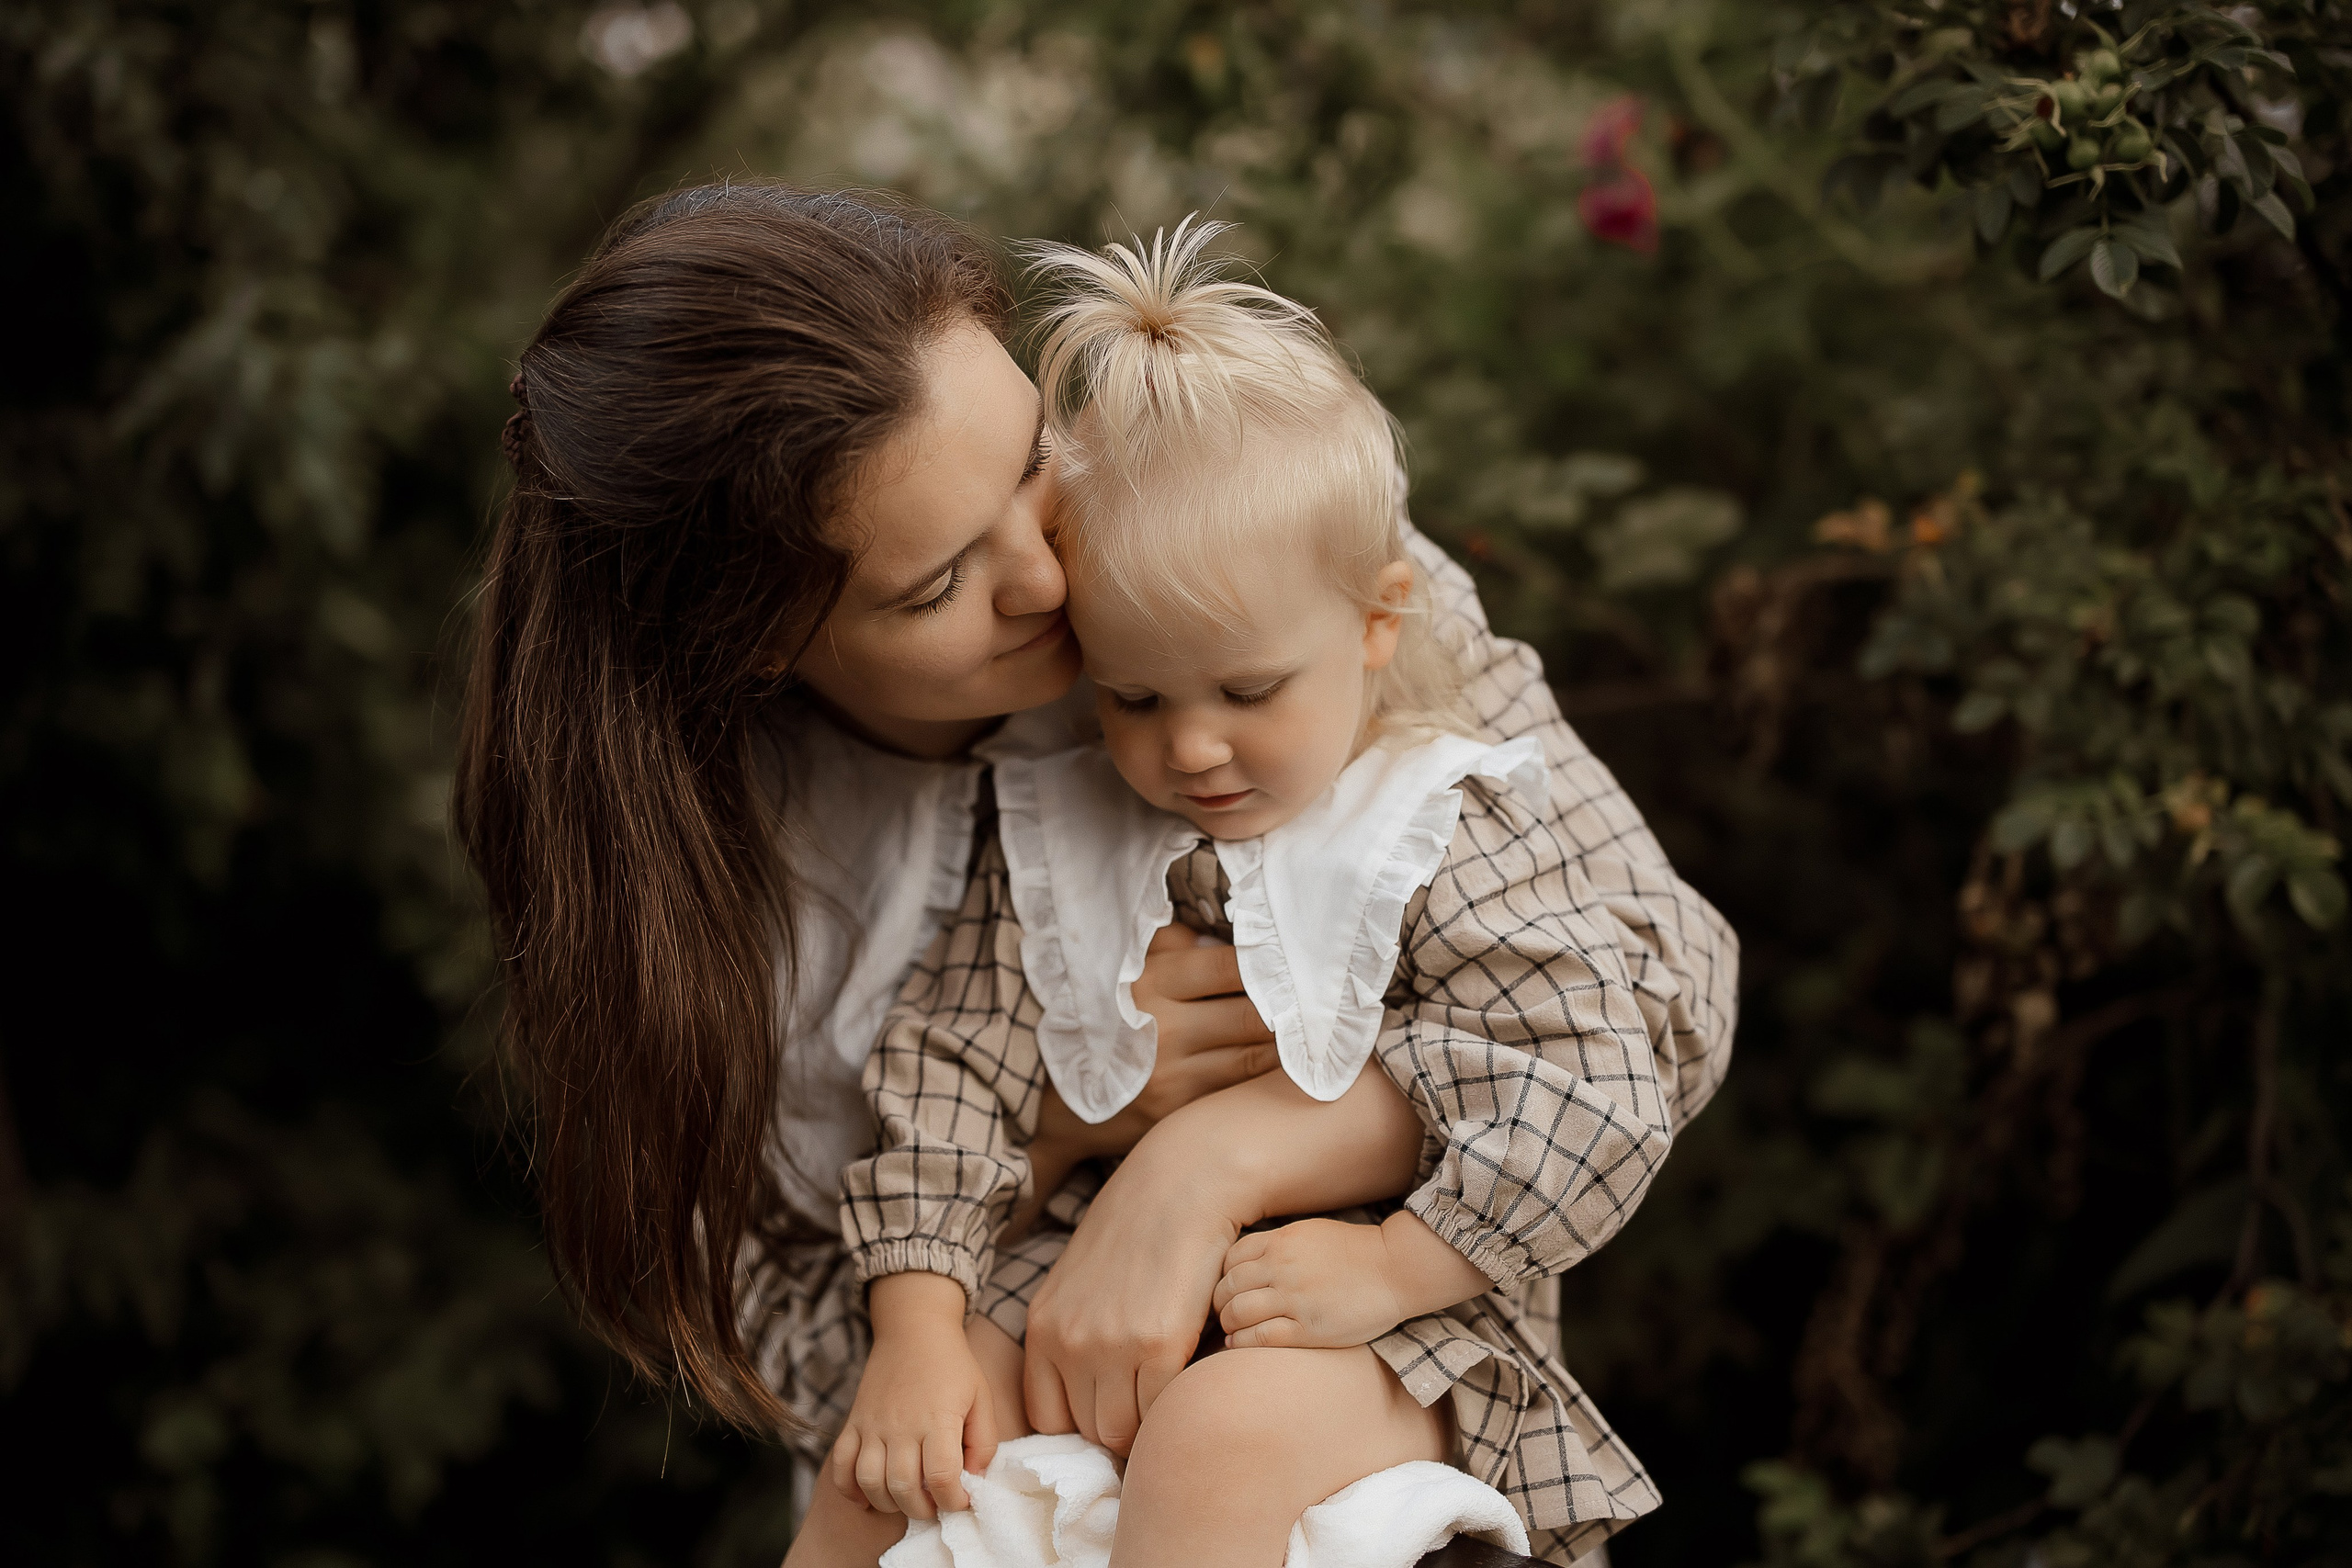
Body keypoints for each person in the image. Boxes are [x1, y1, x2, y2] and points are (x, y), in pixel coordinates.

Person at [451, 182, 1736, 1568]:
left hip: (1340, 1371)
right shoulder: (703, 876)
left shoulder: (1228, 554)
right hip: (999, 1422)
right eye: (936, 584)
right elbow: (771, 1328)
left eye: (1027, 465)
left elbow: (1661, 999)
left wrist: (1214, 1157)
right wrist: (1064, 1123)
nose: (1049, 579)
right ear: (754, 639)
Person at [830, 221, 1733, 1566]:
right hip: (1077, 1285)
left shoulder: (1438, 816)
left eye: (1246, 692)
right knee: (890, 1467)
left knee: (1223, 1440)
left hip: (1389, 1311)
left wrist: (1397, 1265)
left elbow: (1592, 1079)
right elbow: (949, 1060)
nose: (1192, 748)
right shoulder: (1066, 822)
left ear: (1380, 623)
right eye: (1135, 697)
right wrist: (913, 1328)